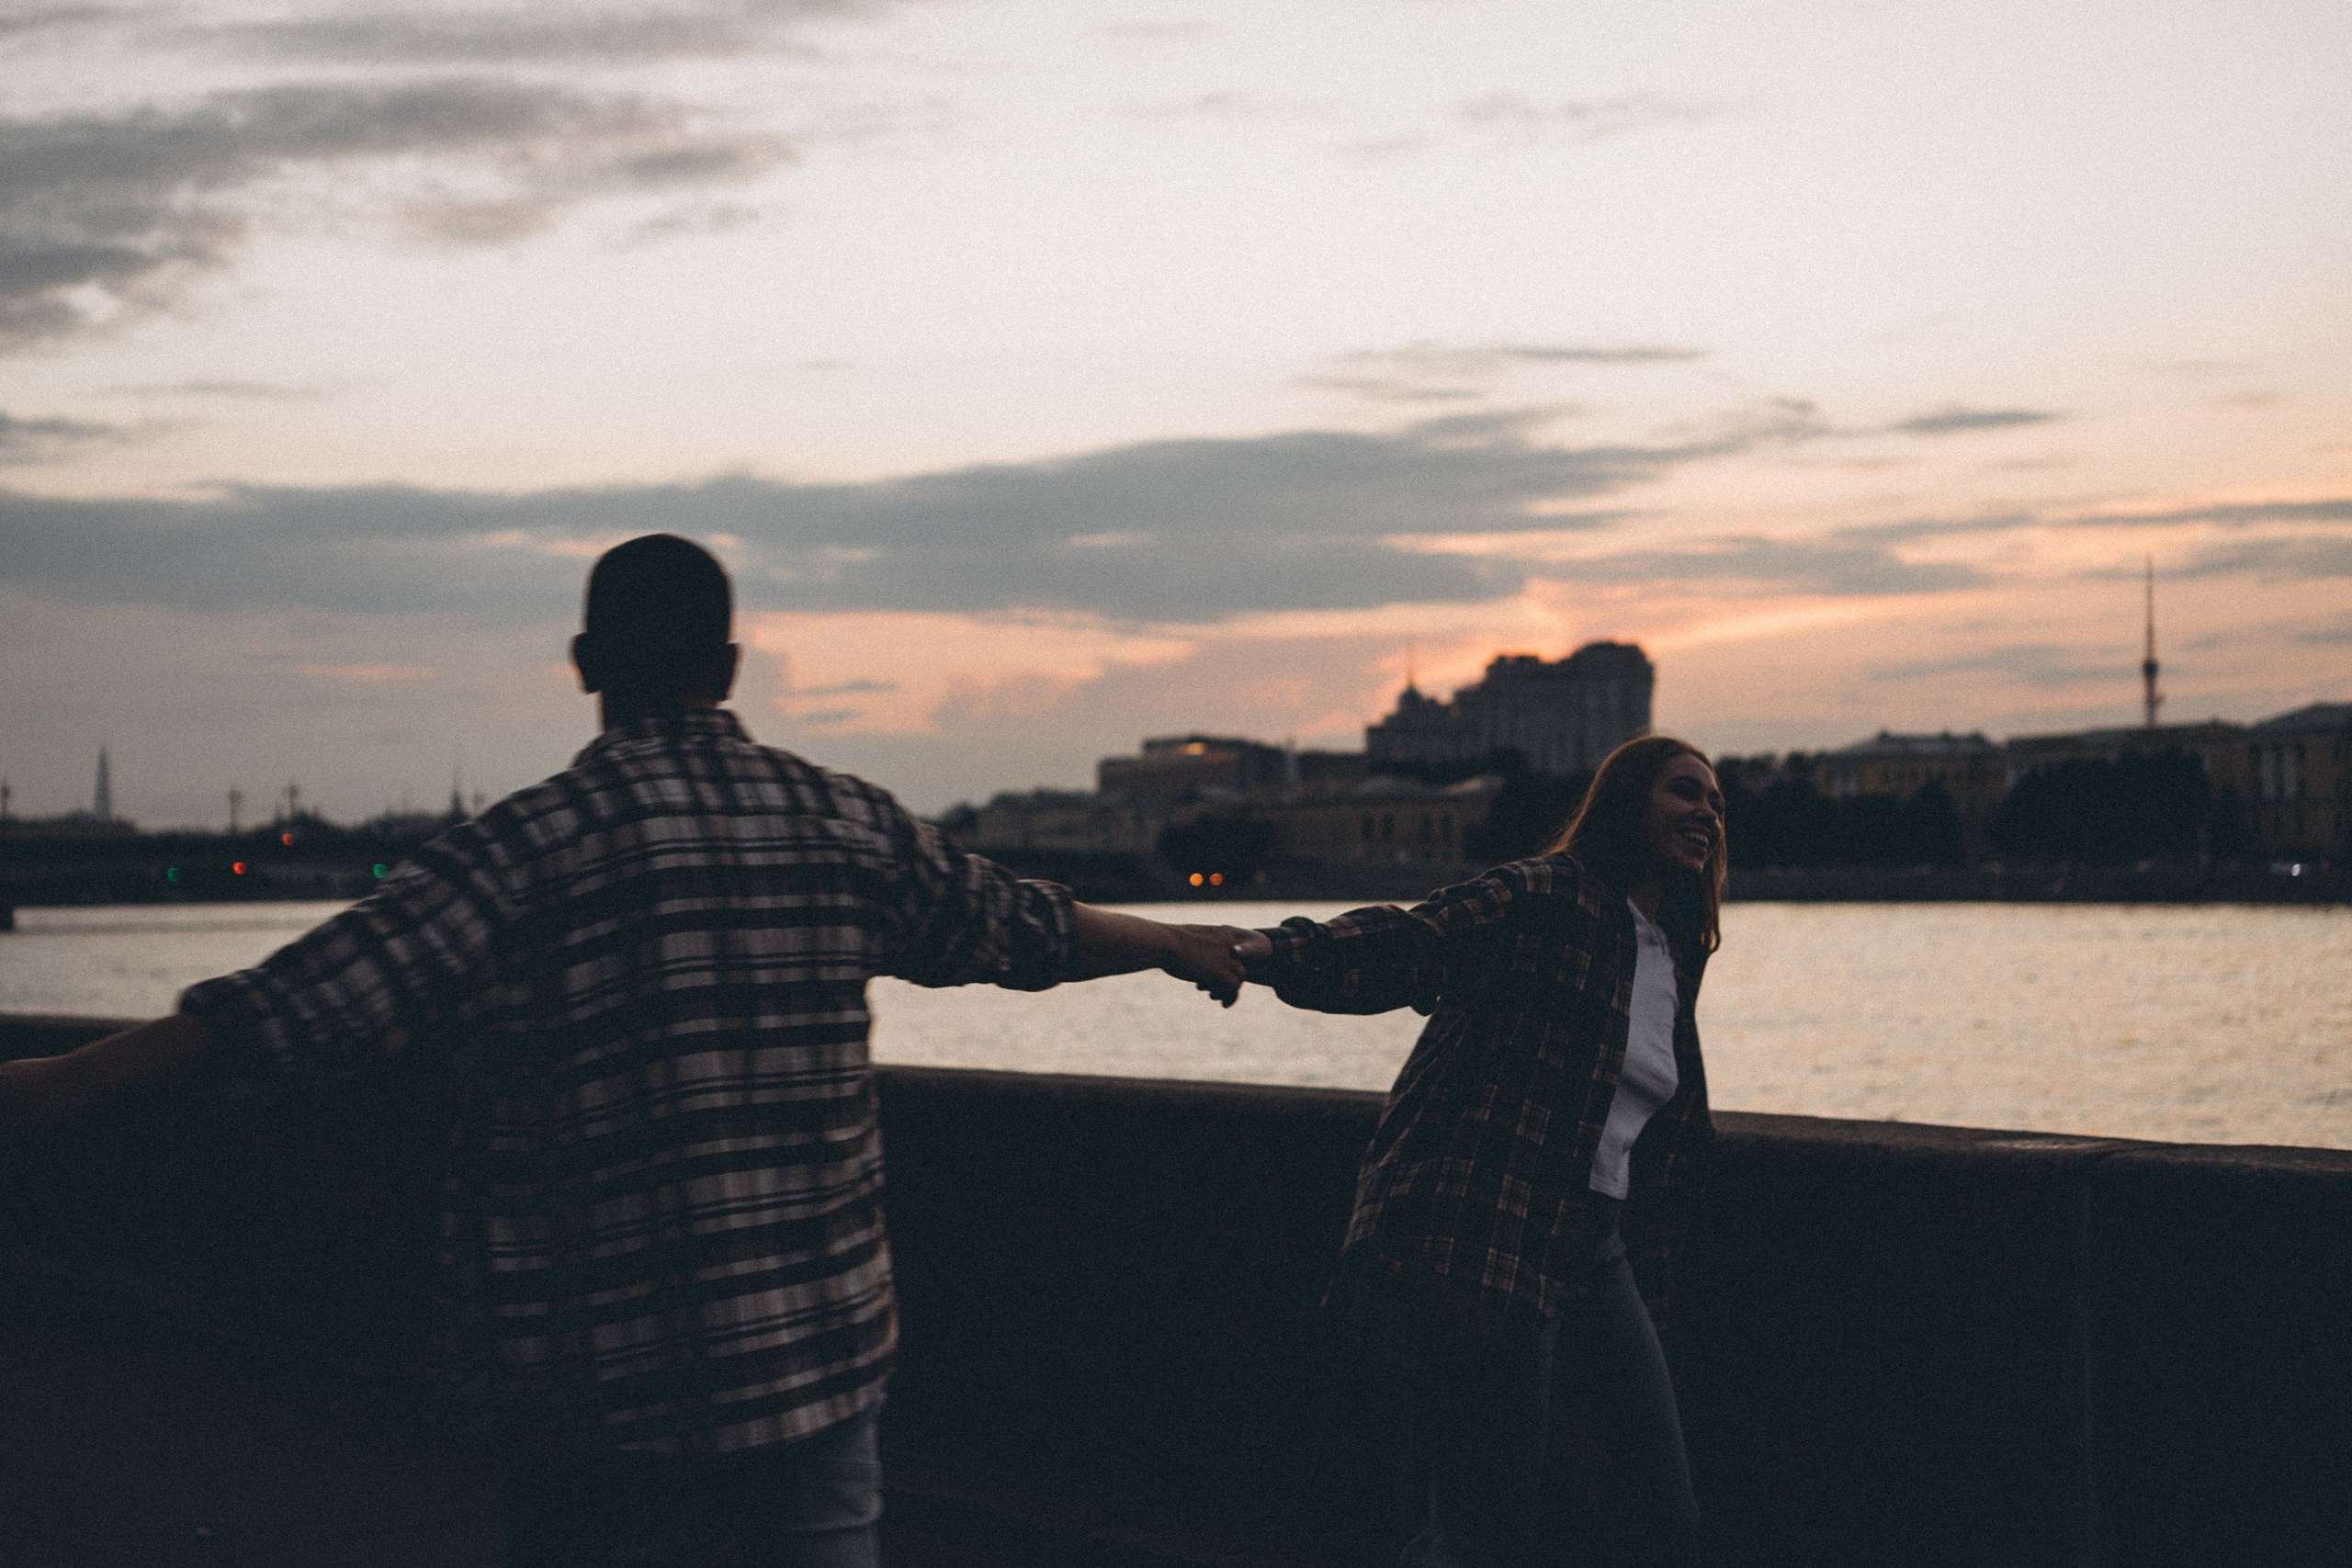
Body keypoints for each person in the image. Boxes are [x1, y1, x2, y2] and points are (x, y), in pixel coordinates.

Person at [0, 534, 1245, 1568]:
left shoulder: (526, 846)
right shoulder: (848, 820)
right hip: (817, 1364)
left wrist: (64, 1081)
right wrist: (1179, 943)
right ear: (730, 665)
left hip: (604, 1393)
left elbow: (298, 1008)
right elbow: (1026, 930)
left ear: (586, 663)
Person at [1229, 735, 1725, 1568]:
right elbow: (1412, 940)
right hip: (1494, 1234)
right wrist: (1265, 951)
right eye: (1684, 791)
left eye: (1716, 801)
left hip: (1598, 1251)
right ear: (1625, 803)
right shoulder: (1549, 893)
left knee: (1661, 1513)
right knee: (1485, 1532)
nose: (1706, 812)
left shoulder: (1672, 955)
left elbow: (1670, 1145)